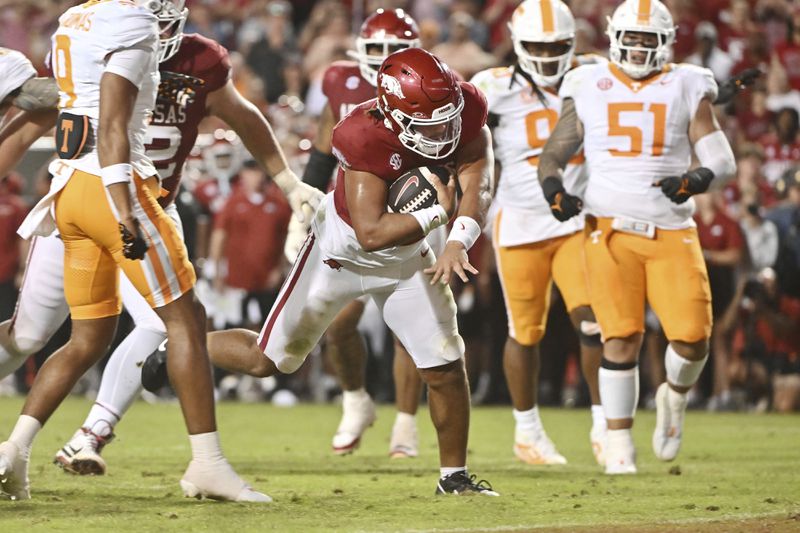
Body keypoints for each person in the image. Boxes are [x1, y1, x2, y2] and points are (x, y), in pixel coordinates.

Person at [0, 0, 322, 480]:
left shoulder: (200, 62)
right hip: (90, 195)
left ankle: (91, 433)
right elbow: (34, 124)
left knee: (164, 322)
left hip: (147, 207)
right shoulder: (103, 41)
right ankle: (28, 447)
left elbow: (241, 113)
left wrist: (287, 181)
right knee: (30, 335)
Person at [204, 48, 498, 496]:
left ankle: (452, 479)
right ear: (394, 114)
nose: (444, 131)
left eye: (448, 118)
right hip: (339, 257)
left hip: (410, 259)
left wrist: (459, 236)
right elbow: (372, 232)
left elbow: (478, 167)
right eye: (429, 123)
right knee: (267, 361)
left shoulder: (466, 104)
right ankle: (180, 348)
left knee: (444, 362)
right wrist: (438, 214)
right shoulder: (363, 133)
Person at [537, 0, 736, 474]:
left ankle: (675, 395)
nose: (641, 46)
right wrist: (554, 191)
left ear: (665, 42)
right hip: (607, 229)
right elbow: (553, 154)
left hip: (670, 228)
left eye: (650, 39)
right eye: (635, 37)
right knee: (619, 337)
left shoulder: (687, 82)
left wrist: (694, 180)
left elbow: (722, 159)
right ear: (615, 37)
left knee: (692, 340)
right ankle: (619, 442)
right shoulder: (585, 82)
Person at [470, 0, 605, 467]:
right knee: (524, 333)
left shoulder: (593, 74)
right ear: (516, 42)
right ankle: (526, 431)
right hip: (521, 221)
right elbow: (462, 146)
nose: (547, 57)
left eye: (557, 47)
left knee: (593, 322)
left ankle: (604, 424)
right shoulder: (491, 87)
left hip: (577, 221)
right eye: (537, 46)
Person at [292, 8, 426, 457]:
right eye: (376, 51)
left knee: (411, 328)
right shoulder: (339, 80)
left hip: (406, 214)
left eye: (395, 50)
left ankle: (406, 425)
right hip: (349, 219)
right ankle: (355, 400)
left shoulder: (428, 83)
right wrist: (303, 205)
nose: (384, 59)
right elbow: (323, 145)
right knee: (337, 324)